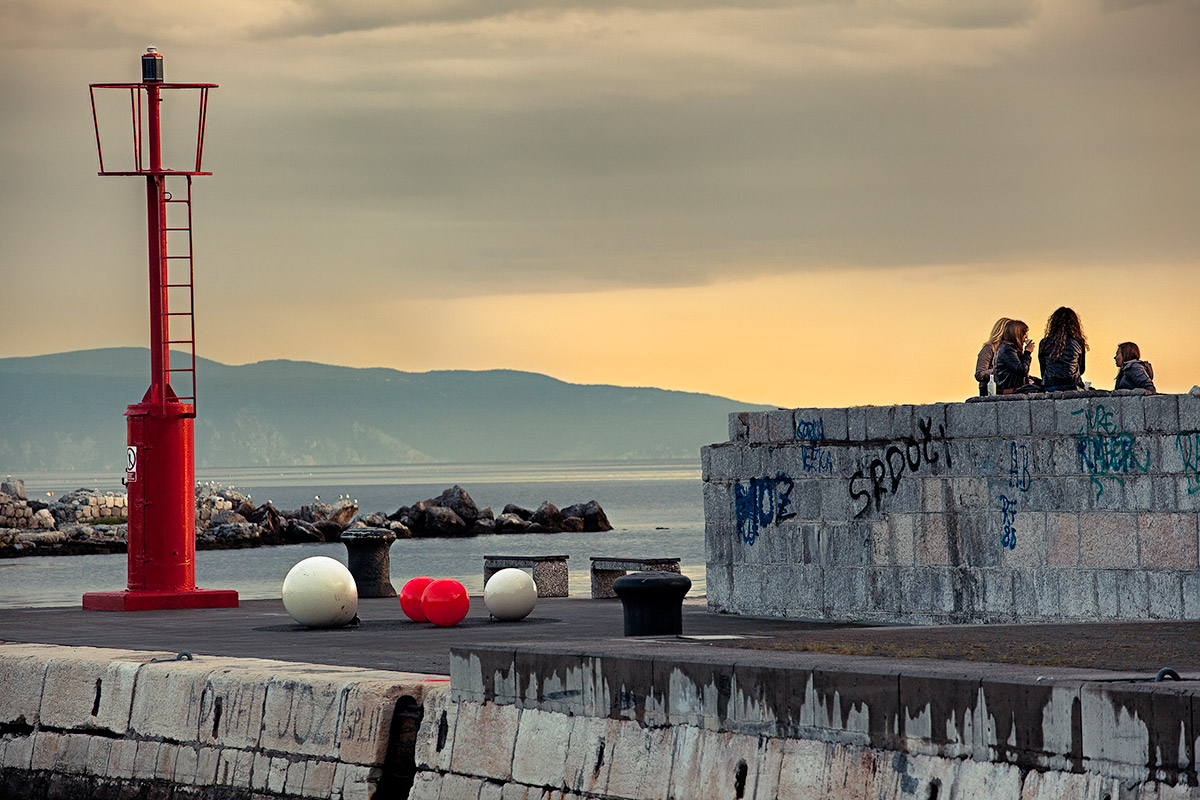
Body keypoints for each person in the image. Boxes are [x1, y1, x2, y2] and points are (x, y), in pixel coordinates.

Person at [1038, 307, 1088, 391]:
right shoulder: (1078, 343)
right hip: (1072, 385)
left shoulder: (1044, 343)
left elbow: (1043, 369)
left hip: (1050, 385)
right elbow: (1081, 369)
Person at [993, 319, 1035, 394]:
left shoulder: (1011, 350)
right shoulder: (1008, 351)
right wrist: (1027, 352)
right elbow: (1022, 370)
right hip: (1010, 390)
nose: (1026, 337)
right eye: (1024, 333)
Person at [974, 317, 1011, 396]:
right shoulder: (989, 348)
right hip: (991, 391)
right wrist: (999, 370)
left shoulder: (1012, 350)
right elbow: (979, 374)